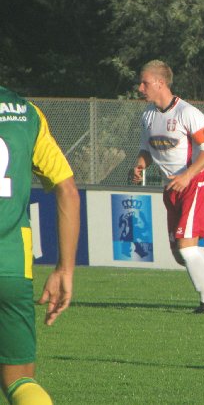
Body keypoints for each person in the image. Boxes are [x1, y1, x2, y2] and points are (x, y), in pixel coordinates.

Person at [131, 60, 204, 314]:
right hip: (171, 189)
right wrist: (139, 166)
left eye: (144, 82)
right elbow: (146, 149)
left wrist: (188, 175)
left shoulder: (187, 112)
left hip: (194, 185)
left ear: (160, 83)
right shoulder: (148, 116)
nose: (140, 88)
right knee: (181, 256)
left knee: (187, 249)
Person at [0, 86, 80, 404]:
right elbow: (68, 190)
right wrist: (65, 269)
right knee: (19, 379)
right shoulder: (25, 112)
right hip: (11, 267)